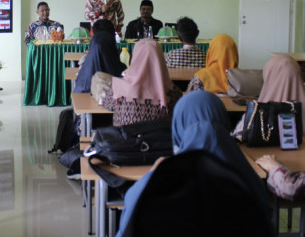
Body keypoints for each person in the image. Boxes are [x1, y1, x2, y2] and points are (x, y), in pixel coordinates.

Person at [116, 90, 272, 237]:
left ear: (178, 126)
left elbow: (128, 228)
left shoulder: (153, 187)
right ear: (224, 122)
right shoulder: (251, 184)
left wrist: (152, 176)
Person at [103, 39, 182, 127]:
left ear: (134, 57)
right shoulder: (173, 92)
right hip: (159, 140)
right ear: (160, 59)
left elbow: (107, 104)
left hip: (125, 139)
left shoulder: (118, 88)